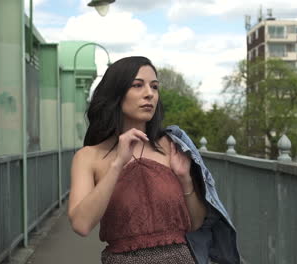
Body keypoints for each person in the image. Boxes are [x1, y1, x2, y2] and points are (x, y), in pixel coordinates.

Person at [68, 56, 241, 264]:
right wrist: (117, 165)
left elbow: (195, 223)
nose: (149, 94)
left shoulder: (174, 147)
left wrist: (185, 178)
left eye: (154, 87)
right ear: (116, 92)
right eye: (137, 85)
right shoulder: (88, 157)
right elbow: (81, 224)